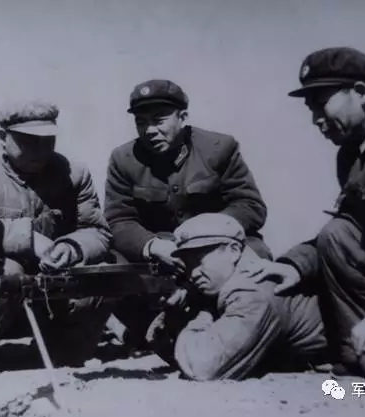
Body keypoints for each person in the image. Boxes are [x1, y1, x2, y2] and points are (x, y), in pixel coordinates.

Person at [258, 46, 365, 389]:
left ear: (361, 92)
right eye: (310, 110)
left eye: (321, 104)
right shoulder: (352, 153)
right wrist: (296, 265)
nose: (316, 120)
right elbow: (351, 225)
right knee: (336, 235)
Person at [0, 99, 113, 366]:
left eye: (48, 141)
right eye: (28, 141)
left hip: (49, 288)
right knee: (8, 271)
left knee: (105, 272)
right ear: (2, 137)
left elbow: (96, 230)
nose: (41, 151)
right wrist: (28, 240)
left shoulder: (73, 174)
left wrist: (71, 248)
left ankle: (59, 355)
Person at [104, 79, 272, 348]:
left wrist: (205, 239)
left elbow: (250, 205)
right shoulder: (123, 159)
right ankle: (146, 331)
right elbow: (118, 219)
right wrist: (152, 245)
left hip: (215, 248)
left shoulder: (219, 148)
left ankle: (243, 330)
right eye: (141, 122)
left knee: (257, 253)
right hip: (162, 254)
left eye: (159, 120)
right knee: (112, 263)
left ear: (182, 117)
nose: (149, 130)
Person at [145, 213, 327, 381]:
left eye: (199, 260)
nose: (193, 273)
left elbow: (202, 367)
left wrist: (203, 314)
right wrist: (173, 318)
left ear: (233, 251)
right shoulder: (226, 284)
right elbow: (175, 356)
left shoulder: (251, 291)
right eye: (188, 264)